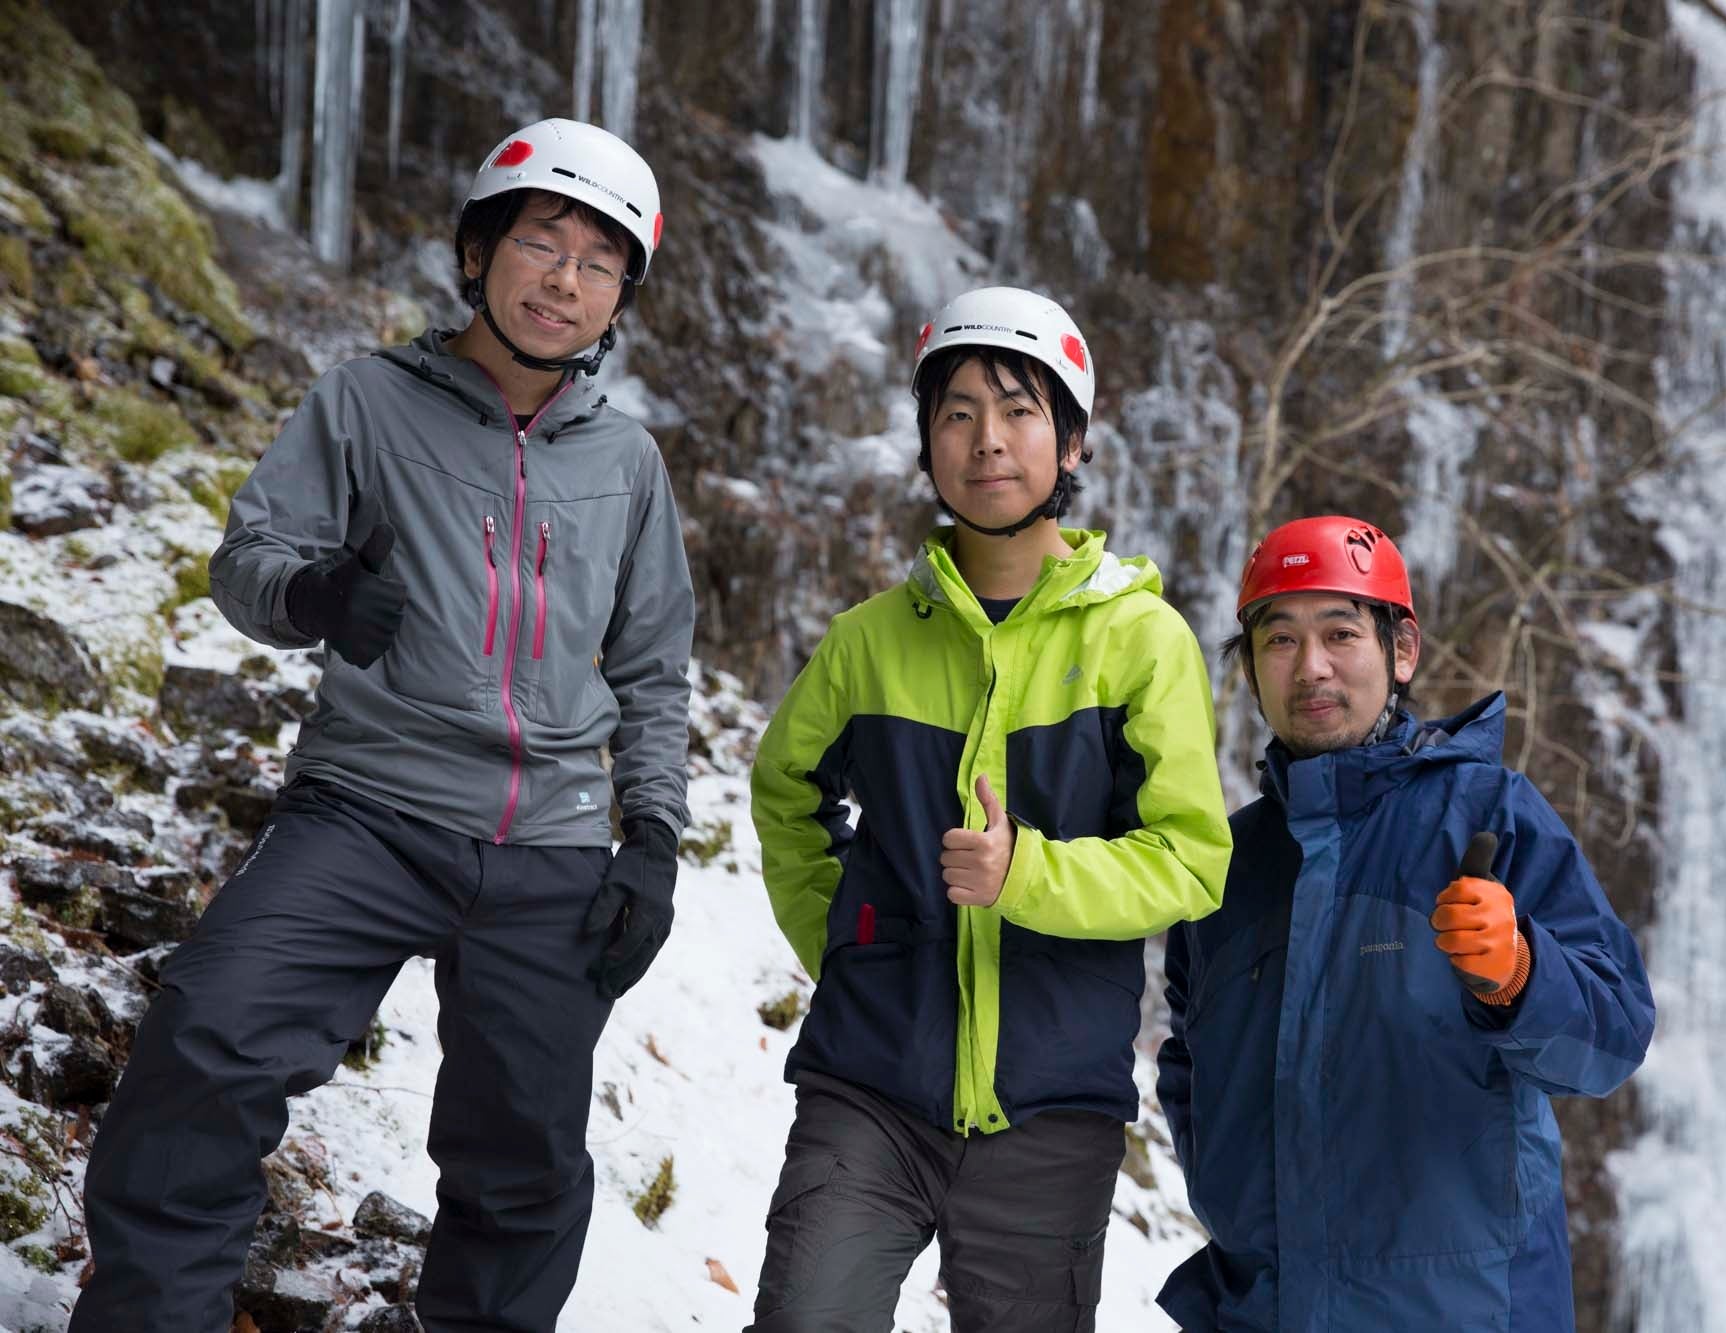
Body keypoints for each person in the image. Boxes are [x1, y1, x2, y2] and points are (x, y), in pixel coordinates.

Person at [71, 118, 693, 1333]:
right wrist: (315, 596)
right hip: (369, 807)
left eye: (598, 262)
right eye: (541, 242)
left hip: (552, 846)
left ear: (620, 297)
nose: (563, 279)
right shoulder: (365, 401)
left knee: (524, 1166)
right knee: (208, 1038)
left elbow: (654, 669)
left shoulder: (628, 462)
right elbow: (249, 554)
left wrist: (655, 840)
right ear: (478, 253)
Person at [746, 286, 1232, 1331]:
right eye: (956, 412)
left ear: (1070, 441)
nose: (987, 440)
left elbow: (1191, 859)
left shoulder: (1141, 643)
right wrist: (844, 939)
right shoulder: (869, 641)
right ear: (926, 445)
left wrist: (1028, 876)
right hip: (869, 1084)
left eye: (1019, 410)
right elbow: (785, 792)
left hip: (1052, 1106)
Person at [1155, 515, 1654, 1332]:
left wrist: (1523, 978)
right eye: (1278, 640)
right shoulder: (1227, 865)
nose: (1310, 666)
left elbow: (1614, 1035)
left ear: (1403, 649)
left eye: (1340, 632)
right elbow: (1191, 1068)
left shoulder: (1488, 816)